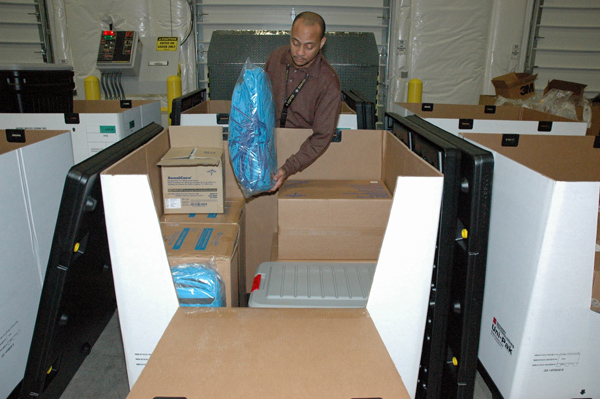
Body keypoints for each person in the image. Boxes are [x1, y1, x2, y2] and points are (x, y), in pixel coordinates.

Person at [264, 11, 341, 192]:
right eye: (295, 43)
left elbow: (322, 136)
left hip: (303, 158)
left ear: (322, 43)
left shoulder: (328, 82)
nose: (299, 52)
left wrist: (288, 168)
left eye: (309, 46)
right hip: (268, 148)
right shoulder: (276, 58)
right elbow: (260, 103)